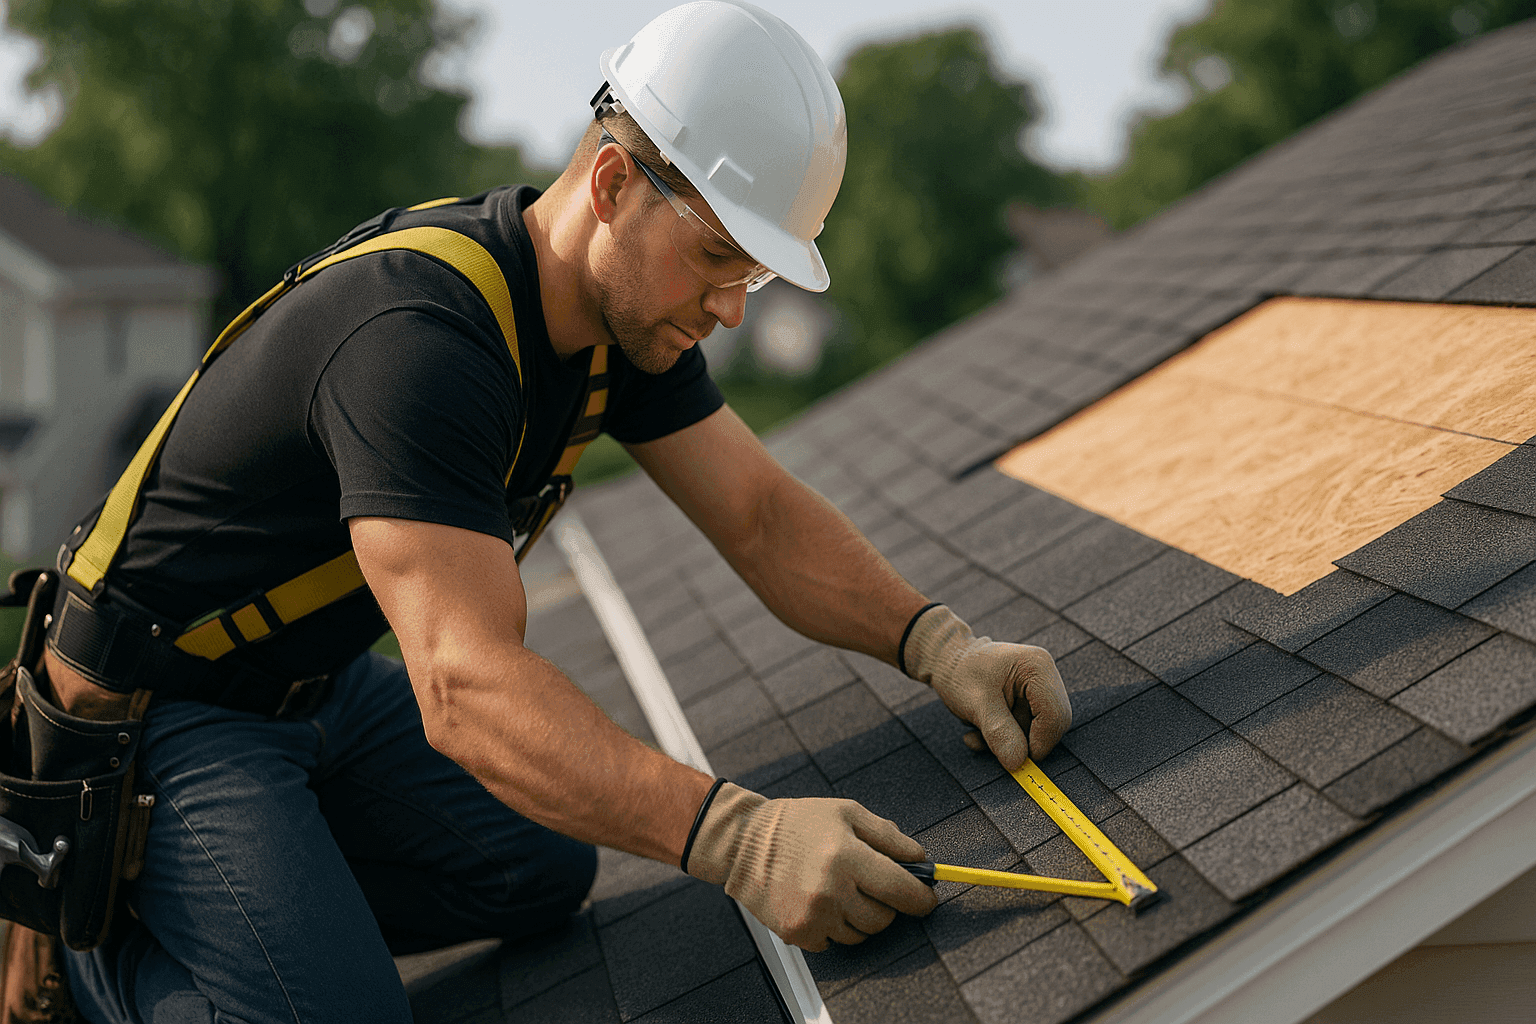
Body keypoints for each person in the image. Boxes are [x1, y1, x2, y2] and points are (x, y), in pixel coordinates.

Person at [2, 2, 1072, 1021]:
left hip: (307, 690)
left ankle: (258, 896)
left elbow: (759, 516)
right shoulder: (420, 341)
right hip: (159, 715)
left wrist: (940, 643)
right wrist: (741, 839)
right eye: (716, 258)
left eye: (753, 273)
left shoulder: (624, 323)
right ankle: (97, 941)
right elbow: (465, 692)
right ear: (612, 183)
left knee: (538, 867)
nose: (733, 307)